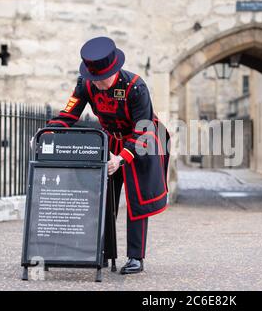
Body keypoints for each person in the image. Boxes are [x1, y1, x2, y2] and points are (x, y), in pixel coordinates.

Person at [45, 36, 170, 274]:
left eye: (103, 78)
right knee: (104, 198)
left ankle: (136, 257)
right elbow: (69, 114)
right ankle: (102, 253)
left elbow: (144, 130)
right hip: (110, 140)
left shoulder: (136, 87)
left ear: (115, 69)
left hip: (141, 141)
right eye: (95, 78)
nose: (99, 83)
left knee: (137, 201)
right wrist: (47, 133)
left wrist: (121, 158)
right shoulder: (86, 84)